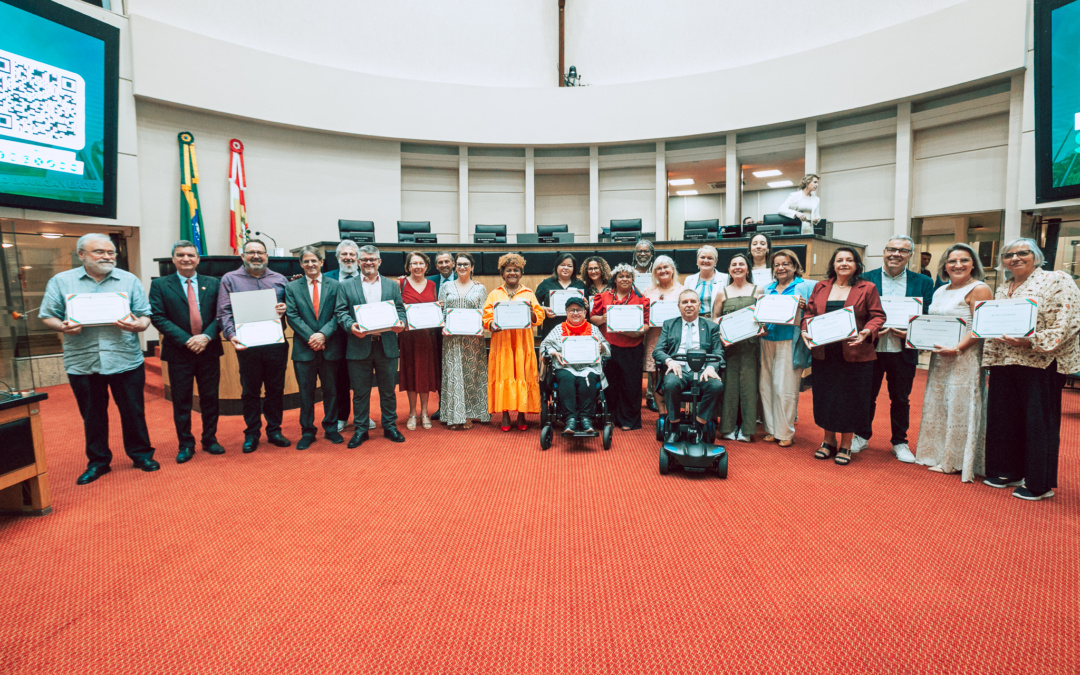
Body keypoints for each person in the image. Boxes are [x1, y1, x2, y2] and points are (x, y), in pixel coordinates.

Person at [40, 233, 159, 485]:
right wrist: (62, 326)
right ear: (81, 254)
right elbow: (47, 315)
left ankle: (141, 455)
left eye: (111, 252)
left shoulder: (129, 280)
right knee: (92, 415)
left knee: (133, 412)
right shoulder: (61, 281)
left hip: (124, 358)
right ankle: (98, 462)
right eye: (100, 252)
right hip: (83, 362)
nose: (107, 257)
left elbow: (145, 315)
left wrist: (138, 325)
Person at [981, 239, 1080, 501]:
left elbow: (1069, 322)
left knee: (1038, 423)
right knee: (1005, 418)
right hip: (1005, 361)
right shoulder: (1004, 288)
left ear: (1036, 256)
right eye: (1008, 255)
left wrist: (1033, 341)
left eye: (1022, 253)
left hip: (1041, 361)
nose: (1015, 258)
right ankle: (1007, 470)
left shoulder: (1057, 279)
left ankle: (1039, 483)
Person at [913, 243, 993, 482]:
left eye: (964, 260)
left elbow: (981, 327)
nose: (957, 265)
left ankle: (956, 460)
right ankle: (937, 453)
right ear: (944, 265)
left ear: (973, 264)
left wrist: (957, 348)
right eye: (952, 261)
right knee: (940, 403)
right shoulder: (940, 290)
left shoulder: (980, 289)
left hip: (964, 357)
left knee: (961, 404)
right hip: (940, 357)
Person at [851, 236, 935, 462]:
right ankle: (861, 435)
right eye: (892, 249)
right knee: (866, 395)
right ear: (884, 252)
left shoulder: (923, 282)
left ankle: (900, 441)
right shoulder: (865, 279)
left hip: (903, 349)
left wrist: (912, 332)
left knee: (901, 399)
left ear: (910, 255)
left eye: (903, 251)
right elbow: (857, 312)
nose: (896, 254)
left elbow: (926, 314)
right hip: (871, 349)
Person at [800, 247, 886, 466]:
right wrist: (804, 330)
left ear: (857, 264)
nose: (844, 263)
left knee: (851, 398)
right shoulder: (821, 287)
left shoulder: (867, 287)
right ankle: (828, 441)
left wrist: (867, 331)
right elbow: (809, 314)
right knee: (827, 397)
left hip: (855, 352)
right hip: (824, 353)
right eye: (840, 260)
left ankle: (846, 444)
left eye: (849, 260)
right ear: (833, 264)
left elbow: (878, 316)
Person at [149, 240, 225, 463]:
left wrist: (206, 337)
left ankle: (210, 439)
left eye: (191, 255)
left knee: (210, 398)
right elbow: (158, 317)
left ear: (198, 259)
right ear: (173, 259)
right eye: (180, 255)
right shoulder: (161, 285)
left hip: (208, 349)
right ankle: (185, 444)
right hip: (179, 352)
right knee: (182, 401)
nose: (186, 259)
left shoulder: (214, 283)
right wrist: (187, 340)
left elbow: (221, 314)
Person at [217, 239, 290, 453]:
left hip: (276, 343)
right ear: (243, 256)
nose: (256, 256)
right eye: (251, 253)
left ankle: (275, 430)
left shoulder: (280, 280)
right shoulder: (230, 279)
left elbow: (291, 308)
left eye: (260, 252)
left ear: (267, 256)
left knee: (276, 389)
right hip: (247, 345)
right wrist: (231, 334)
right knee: (250, 390)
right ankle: (252, 433)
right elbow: (224, 312)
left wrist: (285, 307)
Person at [334, 245, 408, 448]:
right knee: (360, 392)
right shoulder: (347, 286)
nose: (368, 263)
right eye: (364, 259)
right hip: (359, 345)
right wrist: (351, 326)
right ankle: (360, 430)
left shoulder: (392, 285)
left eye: (372, 259)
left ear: (379, 262)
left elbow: (400, 310)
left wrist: (401, 323)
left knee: (387, 390)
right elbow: (341, 312)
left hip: (386, 346)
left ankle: (390, 426)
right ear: (358, 262)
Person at [284, 246, 345, 450]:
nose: (310, 264)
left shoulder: (336, 286)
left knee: (331, 391)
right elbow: (292, 316)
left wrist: (323, 335)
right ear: (301, 264)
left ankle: (331, 428)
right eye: (306, 261)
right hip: (304, 348)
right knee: (306, 393)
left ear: (321, 262)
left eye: (314, 261)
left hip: (329, 347)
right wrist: (312, 337)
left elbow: (338, 314)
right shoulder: (292, 287)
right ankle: (307, 431)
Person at [482, 253, 546, 431]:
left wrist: (530, 313)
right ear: (502, 274)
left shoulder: (528, 293)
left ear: (521, 273)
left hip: (522, 344)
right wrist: (491, 324)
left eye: (516, 270)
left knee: (522, 375)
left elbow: (539, 316)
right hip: (502, 343)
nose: (512, 273)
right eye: (508, 270)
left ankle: (521, 413)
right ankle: (504, 414)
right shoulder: (495, 294)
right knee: (503, 375)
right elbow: (486, 317)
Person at [653, 288, 725, 443]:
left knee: (716, 386)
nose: (689, 305)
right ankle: (674, 426)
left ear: (699, 305)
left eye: (693, 301)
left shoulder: (711, 327)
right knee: (671, 383)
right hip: (677, 369)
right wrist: (669, 361)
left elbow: (718, 352)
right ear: (679, 306)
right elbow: (658, 350)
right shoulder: (669, 325)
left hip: (703, 370)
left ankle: (699, 425)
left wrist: (711, 367)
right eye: (685, 302)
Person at [759, 250, 815, 448]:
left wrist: (805, 305)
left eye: (785, 263)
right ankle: (772, 429)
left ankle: (786, 432)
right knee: (766, 387)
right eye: (776, 265)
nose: (780, 268)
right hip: (766, 340)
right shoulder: (767, 288)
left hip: (789, 341)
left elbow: (817, 310)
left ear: (794, 266)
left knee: (785, 389)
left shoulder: (807, 285)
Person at [590, 264, 650, 430]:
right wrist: (604, 318)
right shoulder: (602, 297)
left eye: (628, 276)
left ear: (632, 280)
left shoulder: (641, 300)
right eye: (621, 276)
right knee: (610, 385)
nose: (625, 279)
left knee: (630, 386)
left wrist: (635, 333)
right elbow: (592, 318)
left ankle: (629, 420)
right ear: (615, 279)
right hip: (609, 348)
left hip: (632, 347)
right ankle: (610, 417)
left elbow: (646, 325)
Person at [540, 295, 611, 434]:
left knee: (589, 378)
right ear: (566, 312)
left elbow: (607, 350)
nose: (575, 313)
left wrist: (601, 347)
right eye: (571, 310)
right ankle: (570, 419)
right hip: (565, 367)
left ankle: (585, 418)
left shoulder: (593, 329)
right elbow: (545, 345)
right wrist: (554, 352)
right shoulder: (559, 329)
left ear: (585, 313)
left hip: (588, 367)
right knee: (566, 378)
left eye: (579, 310)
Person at [713, 253, 764, 442]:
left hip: (751, 347)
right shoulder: (723, 292)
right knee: (729, 388)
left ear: (748, 268)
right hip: (730, 348)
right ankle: (727, 427)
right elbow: (715, 319)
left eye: (741, 264)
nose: (737, 267)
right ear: (728, 270)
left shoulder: (758, 290)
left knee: (749, 388)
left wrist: (763, 328)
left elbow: (763, 318)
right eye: (733, 264)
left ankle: (747, 428)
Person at [439, 252, 490, 430]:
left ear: (472, 267)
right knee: (453, 376)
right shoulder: (446, 286)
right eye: (459, 264)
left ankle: (468, 414)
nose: (462, 267)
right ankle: (454, 416)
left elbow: (483, 313)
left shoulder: (480, 288)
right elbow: (442, 311)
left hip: (472, 339)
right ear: (455, 266)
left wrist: (481, 327)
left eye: (466, 264)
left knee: (471, 376)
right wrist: (443, 326)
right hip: (451, 339)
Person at [398, 251, 442, 430]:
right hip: (408, 338)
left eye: (421, 263)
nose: (417, 267)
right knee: (410, 375)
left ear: (426, 266)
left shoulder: (432, 285)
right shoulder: (400, 283)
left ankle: (424, 412)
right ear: (408, 267)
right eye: (413, 264)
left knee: (424, 375)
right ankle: (411, 412)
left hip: (426, 338)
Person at [324, 240, 363, 433]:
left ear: (358, 258)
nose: (348, 258)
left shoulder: (367, 277)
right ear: (338, 258)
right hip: (335, 337)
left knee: (361, 380)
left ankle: (362, 417)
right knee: (338, 379)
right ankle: (341, 416)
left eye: (351, 255)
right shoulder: (326, 278)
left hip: (360, 336)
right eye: (344, 255)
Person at [643, 256, 685, 423]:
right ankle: (662, 414)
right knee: (655, 377)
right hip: (654, 337)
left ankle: (675, 413)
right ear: (654, 273)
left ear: (673, 269)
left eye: (666, 267)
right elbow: (644, 316)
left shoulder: (682, 291)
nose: (663, 271)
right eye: (659, 268)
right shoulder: (648, 292)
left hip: (677, 340)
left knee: (677, 375)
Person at [425, 251, 456, 421]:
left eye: (447, 261)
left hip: (459, 330)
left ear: (453, 264)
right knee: (441, 368)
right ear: (436, 266)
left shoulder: (464, 279)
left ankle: (463, 406)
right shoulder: (429, 282)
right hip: (436, 332)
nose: (444, 265)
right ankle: (443, 406)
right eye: (440, 262)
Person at [633, 238, 658, 410]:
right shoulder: (629, 272)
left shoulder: (657, 272)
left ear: (651, 253)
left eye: (646, 251)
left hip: (654, 319)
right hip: (633, 320)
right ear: (635, 254)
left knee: (653, 357)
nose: (643, 254)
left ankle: (651, 395)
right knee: (635, 357)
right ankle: (633, 394)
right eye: (639, 251)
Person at [536, 253, 586, 336]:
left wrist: (586, 305)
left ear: (573, 269)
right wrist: (544, 309)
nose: (566, 268)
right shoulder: (545, 284)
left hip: (575, 330)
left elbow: (587, 308)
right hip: (551, 328)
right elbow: (535, 305)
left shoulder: (580, 285)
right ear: (556, 267)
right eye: (562, 265)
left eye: (569, 266)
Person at [682, 244, 729, 318]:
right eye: (702, 257)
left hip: (716, 321)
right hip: (695, 320)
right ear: (697, 260)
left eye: (710, 258)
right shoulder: (689, 280)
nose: (706, 260)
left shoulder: (726, 279)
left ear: (715, 262)